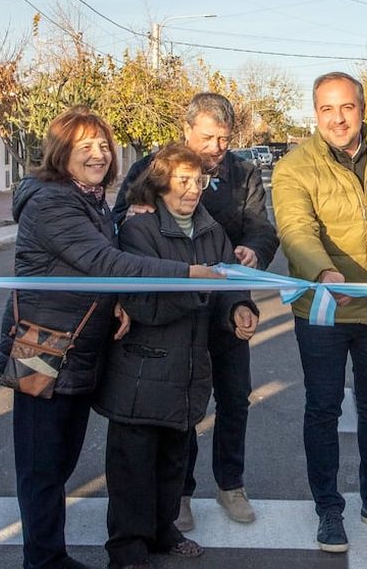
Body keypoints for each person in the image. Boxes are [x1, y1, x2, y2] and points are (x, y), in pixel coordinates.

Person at [0, 106, 219, 569]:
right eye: (84, 147)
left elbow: (99, 261)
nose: (98, 154)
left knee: (59, 464)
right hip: (44, 348)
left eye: (102, 145)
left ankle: (49, 555)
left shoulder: (89, 199)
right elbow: (105, 262)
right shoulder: (52, 202)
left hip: (77, 348)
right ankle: (43, 560)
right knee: (42, 467)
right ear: (60, 152)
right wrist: (188, 272)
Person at [271, 71, 367, 553]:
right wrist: (324, 274)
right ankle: (328, 509)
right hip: (323, 310)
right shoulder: (294, 166)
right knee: (323, 408)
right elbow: (295, 230)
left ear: (362, 108)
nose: (338, 119)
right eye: (326, 109)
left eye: (346, 107)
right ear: (315, 114)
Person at [114, 93, 278, 529]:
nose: (216, 147)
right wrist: (135, 209)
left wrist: (253, 254)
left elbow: (263, 228)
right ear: (187, 131)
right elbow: (117, 223)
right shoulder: (153, 167)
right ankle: (179, 493)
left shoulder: (243, 172)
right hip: (173, 315)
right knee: (181, 404)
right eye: (208, 137)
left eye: (224, 139)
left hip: (224, 301)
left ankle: (231, 484)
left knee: (234, 398)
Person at [95, 144, 260, 569]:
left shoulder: (211, 230)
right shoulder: (139, 230)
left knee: (173, 459)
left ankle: (163, 530)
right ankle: (127, 548)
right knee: (133, 465)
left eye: (198, 181)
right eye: (182, 181)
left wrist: (240, 309)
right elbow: (144, 304)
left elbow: (231, 284)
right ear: (162, 182)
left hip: (188, 370)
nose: (191, 190)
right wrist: (201, 289)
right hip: (142, 369)